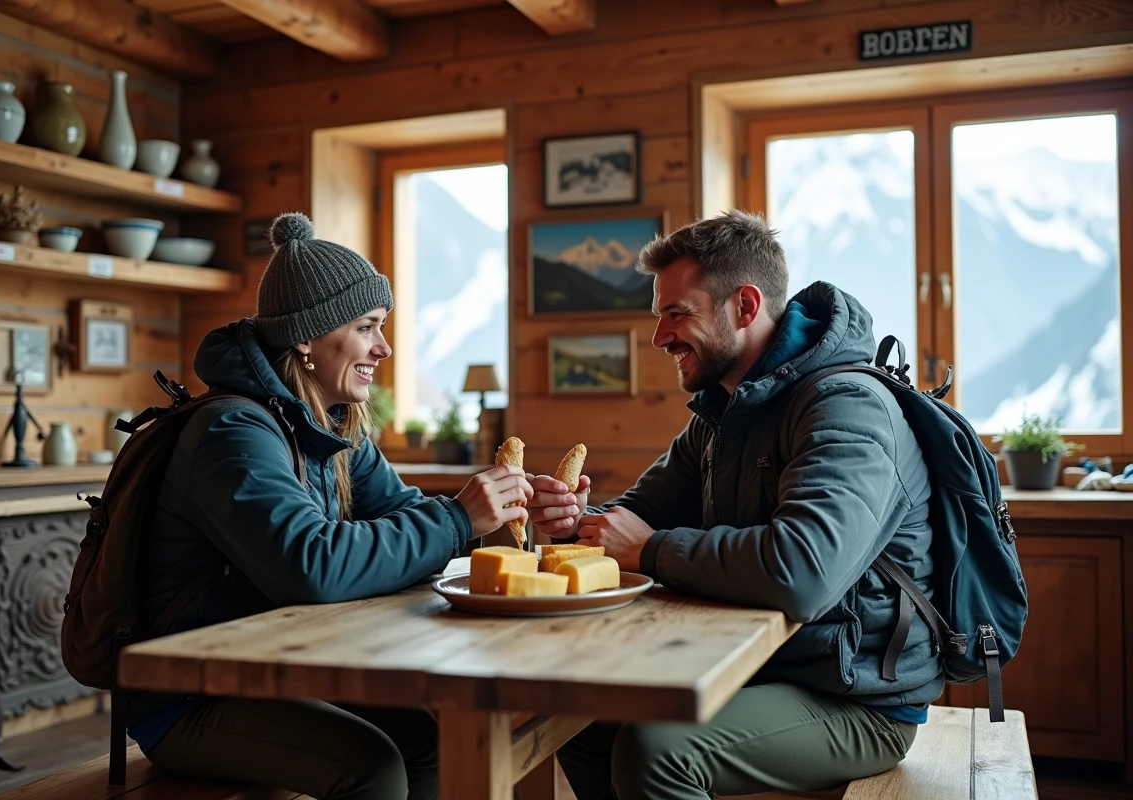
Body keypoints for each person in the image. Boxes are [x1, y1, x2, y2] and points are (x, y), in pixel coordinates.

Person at [528, 210, 939, 799]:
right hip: (759, 668)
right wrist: (577, 524)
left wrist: (644, 548)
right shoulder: (725, 411)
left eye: (677, 314)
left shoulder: (847, 405)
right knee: (578, 717)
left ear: (744, 307)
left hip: (858, 697)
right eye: (658, 315)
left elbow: (803, 571)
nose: (659, 336)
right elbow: (640, 513)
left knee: (657, 752)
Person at [128, 211, 533, 800]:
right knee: (373, 769)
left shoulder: (334, 426)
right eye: (368, 327)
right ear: (306, 335)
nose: (385, 347)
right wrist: (457, 517)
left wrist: (504, 513)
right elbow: (313, 566)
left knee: (428, 742)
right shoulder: (234, 432)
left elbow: (402, 513)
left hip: (283, 668)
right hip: (192, 695)